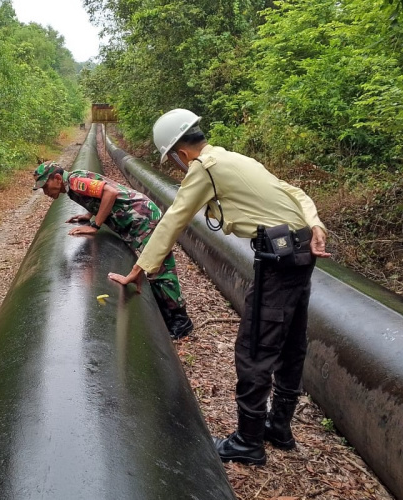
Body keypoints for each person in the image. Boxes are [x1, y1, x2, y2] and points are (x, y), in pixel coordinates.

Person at [108, 109, 331, 466]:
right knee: (290, 341)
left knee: (255, 347)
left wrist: (139, 270)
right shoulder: (234, 158)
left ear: (180, 152)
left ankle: (248, 442)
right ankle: (279, 427)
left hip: (278, 259)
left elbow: (173, 220)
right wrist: (315, 223)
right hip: (300, 251)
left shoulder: (204, 169)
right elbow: (295, 191)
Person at [32, 161, 193, 339]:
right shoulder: (72, 185)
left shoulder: (76, 181)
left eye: (45, 186)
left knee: (158, 266)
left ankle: (181, 320)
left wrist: (94, 225)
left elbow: (110, 192)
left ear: (56, 178)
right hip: (135, 218)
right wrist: (88, 215)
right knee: (153, 266)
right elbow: (97, 196)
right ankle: (167, 315)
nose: (45, 192)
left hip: (141, 216)